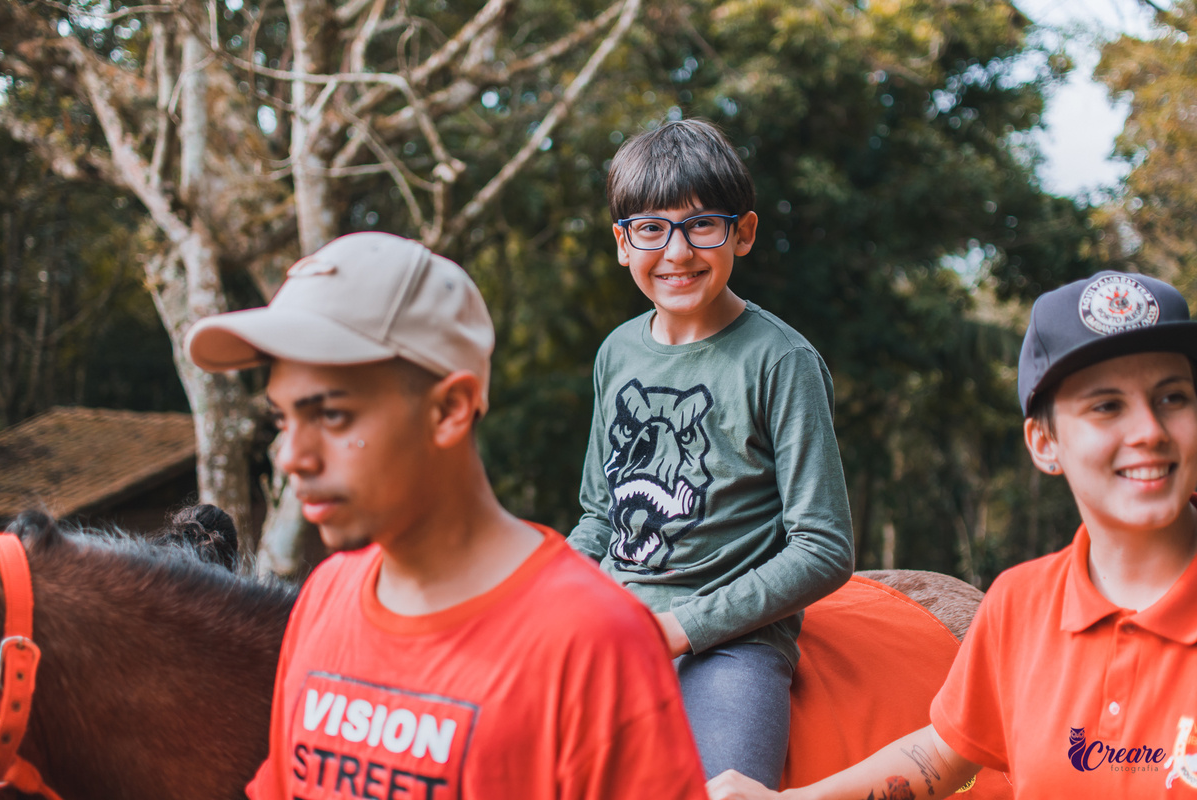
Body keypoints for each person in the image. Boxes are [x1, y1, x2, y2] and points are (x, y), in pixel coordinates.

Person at [184, 232, 708, 800]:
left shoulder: (593, 643)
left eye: (332, 415)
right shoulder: (324, 597)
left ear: (449, 410)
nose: (291, 457)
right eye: (285, 418)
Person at [707, 270, 1197, 800]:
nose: (1149, 430)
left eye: (1173, 398)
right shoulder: (1020, 604)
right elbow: (945, 753)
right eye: (1107, 406)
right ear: (1044, 442)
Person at [567, 118, 855, 789]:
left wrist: (680, 628)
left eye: (702, 225)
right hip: (615, 619)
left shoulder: (781, 361)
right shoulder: (616, 352)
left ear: (743, 233)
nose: (676, 251)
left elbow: (823, 546)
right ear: (622, 242)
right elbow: (599, 516)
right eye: (651, 228)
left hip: (735, 643)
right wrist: (549, 591)